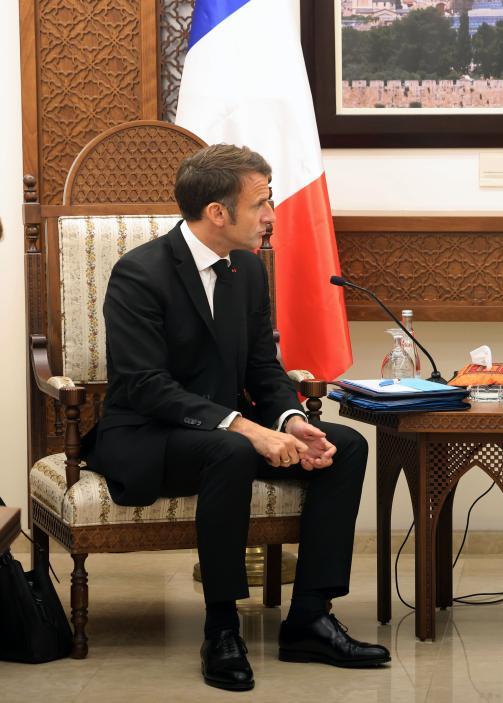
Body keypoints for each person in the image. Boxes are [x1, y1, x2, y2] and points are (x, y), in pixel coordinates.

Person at [84, 144, 389, 691]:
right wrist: (247, 429)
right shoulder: (139, 273)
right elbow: (146, 386)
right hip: (147, 436)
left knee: (343, 446)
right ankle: (222, 628)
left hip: (224, 434)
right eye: (260, 204)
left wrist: (289, 420)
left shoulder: (246, 268)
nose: (271, 215)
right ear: (218, 213)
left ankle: (310, 618)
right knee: (231, 448)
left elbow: (262, 367)